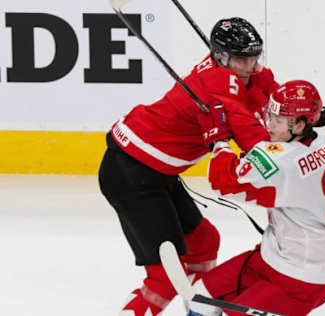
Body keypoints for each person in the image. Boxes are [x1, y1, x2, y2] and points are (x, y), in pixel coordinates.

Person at [98, 17, 278, 315]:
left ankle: (197, 310)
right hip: (132, 173)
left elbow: (276, 102)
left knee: (205, 242)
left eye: (254, 57)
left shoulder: (238, 73)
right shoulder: (218, 85)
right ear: (220, 56)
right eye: (242, 59)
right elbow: (254, 140)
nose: (251, 66)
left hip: (155, 170)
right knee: (164, 281)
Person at [184, 80, 325, 316]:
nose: (270, 125)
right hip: (274, 254)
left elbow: (223, 183)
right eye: (271, 116)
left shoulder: (282, 165)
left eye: (278, 120)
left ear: (300, 125)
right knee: (200, 297)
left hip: (302, 278)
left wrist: (219, 141)